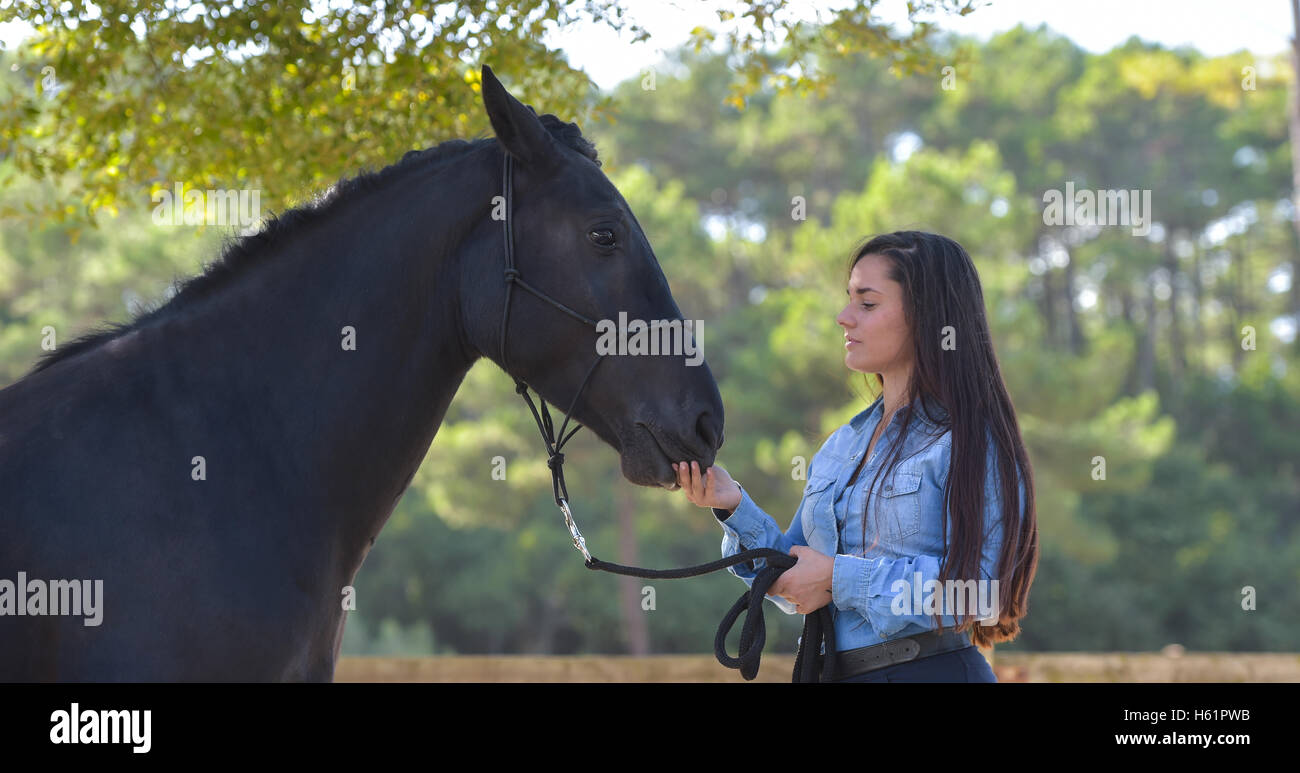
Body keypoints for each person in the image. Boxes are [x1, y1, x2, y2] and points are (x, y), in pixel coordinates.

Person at [674, 231, 1039, 682]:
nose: (844, 318)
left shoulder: (972, 441)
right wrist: (731, 505)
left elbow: (981, 594)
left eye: (867, 304)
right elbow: (796, 577)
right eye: (849, 300)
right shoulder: (841, 445)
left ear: (927, 316)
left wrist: (839, 578)